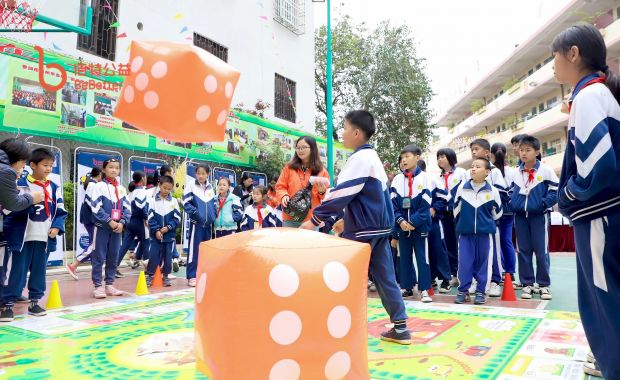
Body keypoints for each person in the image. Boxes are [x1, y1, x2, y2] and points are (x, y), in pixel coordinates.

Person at [300, 110, 411, 345]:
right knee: (385, 277)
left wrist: (316, 220)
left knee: (344, 277)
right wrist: (329, 211)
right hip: (379, 227)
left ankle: (340, 327)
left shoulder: (359, 159)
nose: (342, 132)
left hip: (363, 229)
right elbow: (352, 194)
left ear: (357, 132)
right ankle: (401, 327)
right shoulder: (372, 158)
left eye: (345, 128)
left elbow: (344, 193)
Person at [552, 24, 620, 379]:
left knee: (602, 303)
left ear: (573, 53)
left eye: (555, 56)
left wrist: (567, 194)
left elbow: (598, 167)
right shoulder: (602, 94)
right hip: (608, 215)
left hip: (599, 217)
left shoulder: (589, 96)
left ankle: (613, 365)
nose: (552, 66)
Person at [0, 148, 67, 322]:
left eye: (51, 166)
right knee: (15, 271)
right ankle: (8, 305)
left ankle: (35, 302)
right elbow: (8, 208)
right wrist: (31, 200)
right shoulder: (19, 183)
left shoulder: (53, 187)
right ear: (32, 165)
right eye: (45, 165)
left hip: (43, 238)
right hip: (22, 238)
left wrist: (57, 227)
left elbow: (61, 211)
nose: (48, 169)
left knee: (39, 271)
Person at [510, 135, 558, 300]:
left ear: (537, 152)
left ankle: (543, 285)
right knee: (523, 251)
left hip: (539, 217)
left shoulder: (546, 170)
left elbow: (555, 191)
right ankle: (527, 284)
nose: (523, 153)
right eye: (521, 150)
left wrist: (543, 204)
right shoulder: (515, 172)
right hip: (520, 217)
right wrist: (513, 203)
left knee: (541, 250)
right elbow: (510, 192)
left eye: (528, 150)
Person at [453, 158, 503, 305]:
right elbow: (456, 209)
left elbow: (498, 213)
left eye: (478, 166)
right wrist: (465, 223)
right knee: (464, 263)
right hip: (465, 234)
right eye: (472, 166)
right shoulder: (462, 188)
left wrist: (484, 223)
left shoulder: (493, 191)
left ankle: (481, 291)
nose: (473, 169)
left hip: (485, 235)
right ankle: (463, 290)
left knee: (484, 263)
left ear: (487, 172)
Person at [391, 145, 433, 303]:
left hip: (419, 227)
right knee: (404, 258)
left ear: (417, 158)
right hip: (402, 227)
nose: (404, 160)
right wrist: (401, 221)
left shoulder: (426, 178)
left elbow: (426, 204)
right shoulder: (396, 179)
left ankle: (424, 289)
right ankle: (407, 287)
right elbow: (393, 204)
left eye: (407, 156)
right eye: (402, 157)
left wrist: (413, 222)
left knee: (422, 258)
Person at [466, 138, 507, 296]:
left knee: (493, 252)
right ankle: (477, 280)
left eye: (476, 149)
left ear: (487, 152)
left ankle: (495, 281)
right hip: (473, 223)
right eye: (472, 150)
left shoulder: (494, 172)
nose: (474, 152)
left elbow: (501, 194)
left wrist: (491, 213)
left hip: (489, 220)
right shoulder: (468, 173)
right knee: (476, 253)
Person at [89, 158, 130, 299]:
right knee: (98, 257)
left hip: (117, 229)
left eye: (117, 168)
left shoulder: (122, 189)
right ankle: (98, 286)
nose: (114, 170)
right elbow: (95, 206)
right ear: (104, 170)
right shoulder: (98, 186)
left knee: (113, 257)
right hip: (102, 227)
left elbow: (127, 208)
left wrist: (122, 223)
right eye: (111, 167)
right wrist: (109, 221)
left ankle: (109, 284)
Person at [275, 136, 330, 227]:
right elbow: (280, 186)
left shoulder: (322, 171)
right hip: (290, 216)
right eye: (298, 147)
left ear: (312, 149)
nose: (300, 150)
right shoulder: (289, 168)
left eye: (303, 147)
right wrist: (283, 195)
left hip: (311, 220)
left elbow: (327, 196)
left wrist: (322, 191)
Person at [436, 148, 467, 286]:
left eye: (443, 156)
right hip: (445, 215)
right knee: (449, 245)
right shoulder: (438, 178)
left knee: (460, 243)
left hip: (459, 214)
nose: (440, 159)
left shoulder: (461, 173)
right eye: (438, 157)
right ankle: (454, 274)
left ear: (450, 156)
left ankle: (465, 273)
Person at [182, 164, 216, 287]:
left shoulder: (210, 187)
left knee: (206, 252)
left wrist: (213, 216)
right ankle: (191, 276)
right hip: (196, 224)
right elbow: (185, 202)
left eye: (203, 173)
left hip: (208, 226)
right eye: (198, 173)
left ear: (208, 174)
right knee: (194, 250)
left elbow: (213, 204)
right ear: (196, 174)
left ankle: (204, 274)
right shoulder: (191, 185)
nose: (201, 176)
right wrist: (196, 213)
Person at [66, 166, 102, 279]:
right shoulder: (93, 185)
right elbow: (92, 202)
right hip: (91, 218)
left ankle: (96, 269)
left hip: (90, 217)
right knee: (94, 244)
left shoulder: (91, 184)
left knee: (95, 243)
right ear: (100, 174)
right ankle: (74, 265)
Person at [490, 143, 518, 286]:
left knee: (496, 241)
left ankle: (500, 271)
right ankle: (510, 273)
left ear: (491, 154)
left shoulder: (491, 170)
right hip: (509, 209)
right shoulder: (512, 171)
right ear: (505, 153)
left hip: (495, 209)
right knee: (507, 241)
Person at [146, 175, 181, 287]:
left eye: (169, 189)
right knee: (154, 255)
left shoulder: (174, 202)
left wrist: (168, 228)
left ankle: (166, 276)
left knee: (168, 257)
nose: (166, 191)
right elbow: (150, 218)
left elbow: (177, 218)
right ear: (159, 185)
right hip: (155, 236)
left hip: (169, 236)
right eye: (164, 187)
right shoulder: (152, 201)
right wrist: (156, 230)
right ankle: (150, 276)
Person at [116, 171, 149, 277]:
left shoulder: (131, 192)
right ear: (143, 178)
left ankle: (114, 267)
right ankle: (148, 268)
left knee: (125, 245)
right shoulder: (142, 191)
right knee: (145, 242)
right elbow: (141, 207)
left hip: (129, 220)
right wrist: (146, 218)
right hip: (139, 221)